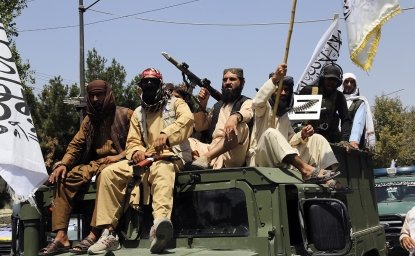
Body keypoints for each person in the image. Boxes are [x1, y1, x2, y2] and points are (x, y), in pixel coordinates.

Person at [86, 68, 194, 254]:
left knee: (162, 170)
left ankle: (159, 227)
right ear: (141, 86)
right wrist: (137, 152)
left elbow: (188, 120)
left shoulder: (176, 104)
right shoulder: (138, 113)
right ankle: (108, 233)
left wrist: (166, 134)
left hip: (171, 155)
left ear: (160, 84)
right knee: (108, 173)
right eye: (146, 82)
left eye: (153, 82)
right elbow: (133, 141)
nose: (149, 85)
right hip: (146, 159)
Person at [39, 80, 133, 255]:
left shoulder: (125, 114)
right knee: (63, 177)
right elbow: (76, 145)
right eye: (92, 95)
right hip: (95, 164)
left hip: (120, 163)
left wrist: (119, 156)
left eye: (100, 95)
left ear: (108, 95)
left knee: (106, 175)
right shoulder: (89, 120)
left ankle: (94, 233)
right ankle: (61, 236)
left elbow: (138, 144)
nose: (96, 99)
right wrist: (64, 164)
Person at [248, 64, 340, 185]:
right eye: (280, 88)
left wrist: (302, 134)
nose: (284, 93)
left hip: (283, 160)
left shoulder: (284, 115)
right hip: (263, 158)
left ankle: (327, 178)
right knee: (271, 133)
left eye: (286, 89)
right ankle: (306, 170)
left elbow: (290, 140)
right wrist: (275, 78)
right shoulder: (263, 108)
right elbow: (257, 101)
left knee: (317, 139)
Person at [189, 68, 254, 169]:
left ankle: (206, 158)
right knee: (183, 140)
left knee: (242, 126)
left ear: (242, 83)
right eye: (225, 80)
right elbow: (199, 127)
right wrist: (202, 104)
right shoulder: (218, 106)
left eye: (232, 79)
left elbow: (247, 113)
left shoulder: (246, 102)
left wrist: (234, 118)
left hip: (232, 152)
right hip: (213, 147)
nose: (227, 82)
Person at [299, 63, 352, 143]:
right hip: (307, 135)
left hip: (329, 138)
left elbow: (345, 119)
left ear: (338, 82)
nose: (331, 82)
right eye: (328, 79)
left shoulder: (339, 97)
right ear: (322, 79)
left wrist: (344, 139)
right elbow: (296, 119)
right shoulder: (309, 91)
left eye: (334, 80)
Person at [339, 72, 376, 151]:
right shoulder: (336, 99)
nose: (349, 84)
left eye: (352, 82)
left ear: (355, 85)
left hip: (350, 145)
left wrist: (354, 142)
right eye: (346, 81)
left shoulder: (359, 102)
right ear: (342, 83)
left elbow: (358, 123)